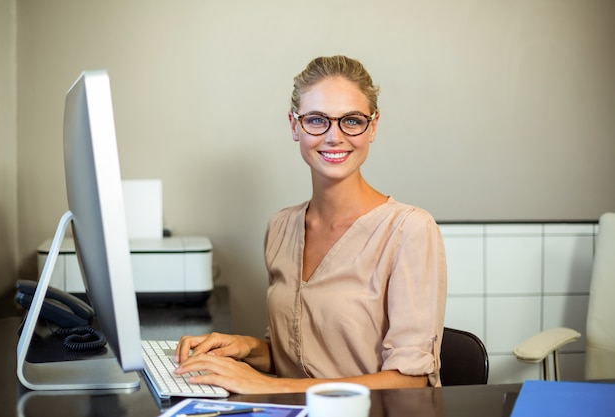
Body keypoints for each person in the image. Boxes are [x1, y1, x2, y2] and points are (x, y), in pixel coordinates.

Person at [174, 55, 447, 394]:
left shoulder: (409, 230)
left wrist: (268, 387)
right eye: (317, 120)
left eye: (352, 120)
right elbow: (299, 355)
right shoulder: (281, 227)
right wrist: (246, 348)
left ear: (373, 126)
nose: (334, 136)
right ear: (294, 125)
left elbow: (410, 380)